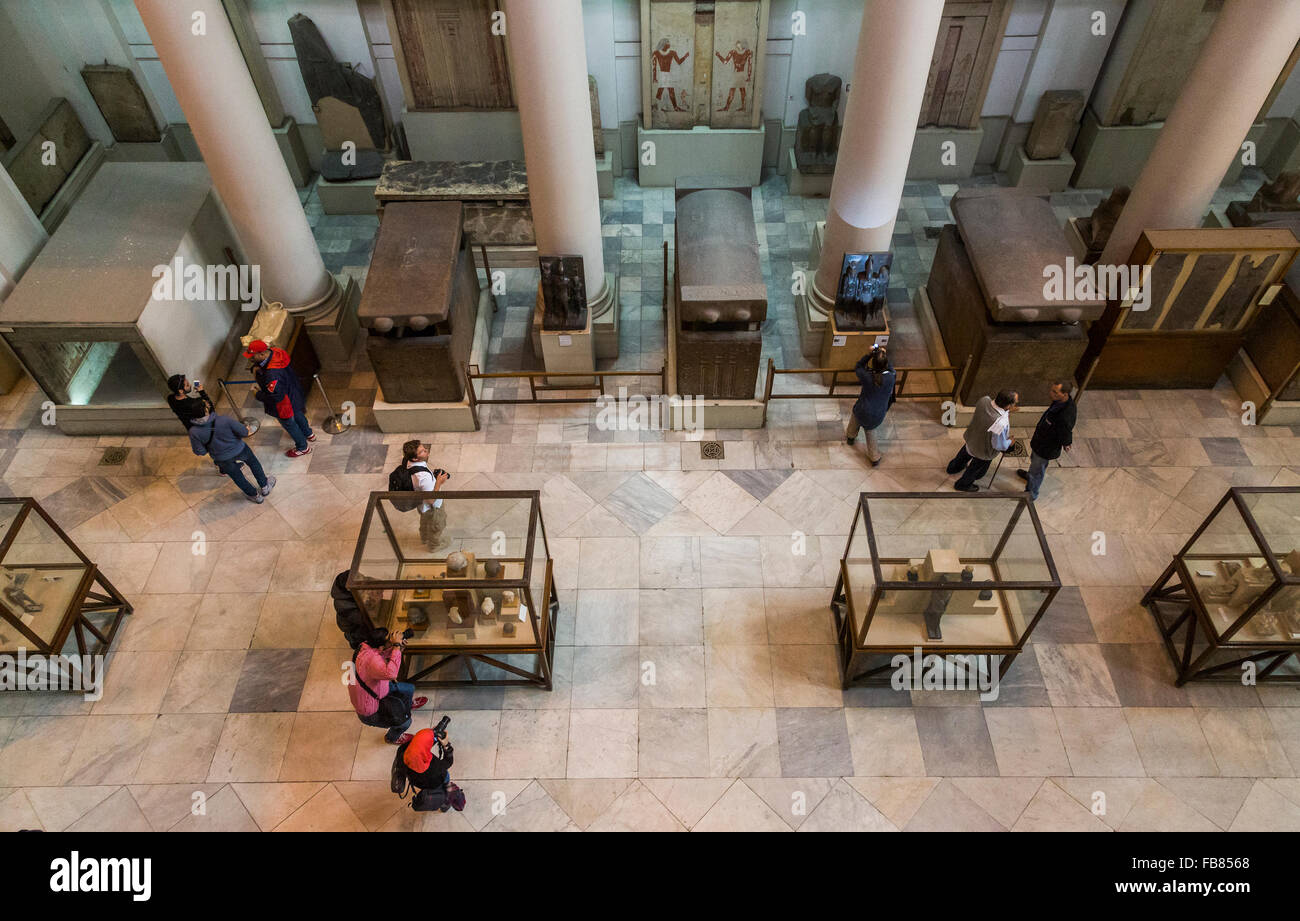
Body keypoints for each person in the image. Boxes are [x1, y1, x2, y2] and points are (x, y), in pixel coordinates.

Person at [349, 631, 428, 745]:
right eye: (389, 640)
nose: (392, 641)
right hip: (370, 708)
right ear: (381, 646)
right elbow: (391, 673)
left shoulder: (366, 646)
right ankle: (392, 738)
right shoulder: (371, 660)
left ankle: (408, 705)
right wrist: (396, 647)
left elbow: (381, 655)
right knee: (404, 723)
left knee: (408, 689)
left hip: (377, 688)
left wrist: (398, 649)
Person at [187, 409, 276, 503]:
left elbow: (200, 451)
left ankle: (255, 496)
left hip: (221, 458)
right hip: (239, 449)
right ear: (205, 410)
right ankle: (265, 486)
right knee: (253, 463)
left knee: (237, 477)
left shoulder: (194, 432)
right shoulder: (224, 420)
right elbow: (244, 432)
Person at [244, 339, 314, 458]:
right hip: (293, 394)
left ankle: (303, 447)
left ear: (262, 354)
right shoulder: (276, 352)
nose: (250, 358)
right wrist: (255, 368)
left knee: (290, 424)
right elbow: (262, 366)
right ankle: (309, 433)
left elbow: (276, 396)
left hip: (284, 404)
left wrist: (258, 395)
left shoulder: (272, 374)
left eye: (252, 356)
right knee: (298, 414)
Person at [947, 389, 1018, 492]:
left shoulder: (984, 400)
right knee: (975, 470)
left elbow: (989, 413)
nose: (1016, 404)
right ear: (1008, 405)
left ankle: (953, 468)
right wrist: (1009, 442)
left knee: (963, 455)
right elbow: (998, 445)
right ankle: (963, 485)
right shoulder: (1000, 423)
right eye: (1015, 403)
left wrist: (1007, 411)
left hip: (972, 438)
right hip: (983, 451)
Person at [1018, 380, 1076, 500]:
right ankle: (1029, 477)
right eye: (1052, 390)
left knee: (1037, 469)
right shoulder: (1059, 402)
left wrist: (1067, 443)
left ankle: (1030, 494)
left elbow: (1065, 432)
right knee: (1034, 462)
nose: (1051, 393)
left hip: (1046, 447)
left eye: (1055, 392)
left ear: (1065, 394)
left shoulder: (1066, 414)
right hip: (1040, 440)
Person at [395, 440, 450, 551]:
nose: (426, 450)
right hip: (432, 508)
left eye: (424, 449)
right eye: (422, 451)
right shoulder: (423, 477)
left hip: (421, 505)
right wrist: (439, 482)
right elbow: (431, 500)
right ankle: (434, 546)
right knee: (436, 526)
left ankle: (424, 538)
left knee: (424, 523)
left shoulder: (407, 462)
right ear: (415, 458)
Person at [846, 345, 896, 465]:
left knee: (855, 419)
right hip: (878, 412)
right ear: (885, 364)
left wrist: (870, 354)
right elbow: (892, 370)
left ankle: (850, 437)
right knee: (870, 432)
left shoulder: (867, 377)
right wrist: (884, 356)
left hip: (862, 409)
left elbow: (858, 366)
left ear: (873, 364)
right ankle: (874, 458)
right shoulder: (890, 377)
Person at [393, 727, 463, 813]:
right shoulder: (434, 767)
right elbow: (448, 762)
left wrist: (430, 733)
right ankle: (446, 803)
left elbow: (416, 744)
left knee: (437, 793)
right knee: (447, 789)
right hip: (438, 780)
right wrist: (446, 745)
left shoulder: (403, 754)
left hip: (421, 783)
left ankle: (442, 803)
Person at [331, 571, 387, 652]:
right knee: (374, 637)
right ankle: (357, 645)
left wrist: (377, 591)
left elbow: (377, 584)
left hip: (360, 617)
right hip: (354, 628)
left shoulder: (356, 578)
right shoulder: (342, 605)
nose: (364, 585)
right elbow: (366, 619)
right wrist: (373, 601)